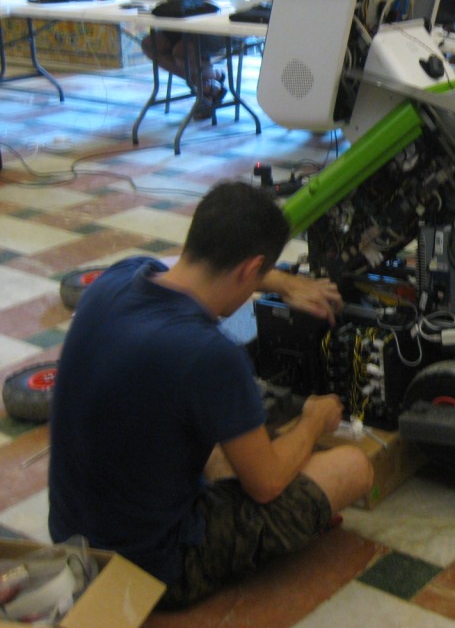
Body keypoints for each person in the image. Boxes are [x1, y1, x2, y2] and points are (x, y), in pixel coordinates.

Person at [48, 182, 374, 609]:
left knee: (222, 439)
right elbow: (267, 485)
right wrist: (314, 421)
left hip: (73, 536)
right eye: (259, 274)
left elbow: (190, 268)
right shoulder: (209, 353)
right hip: (151, 564)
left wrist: (280, 281)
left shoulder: (117, 278)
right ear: (250, 267)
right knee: (352, 466)